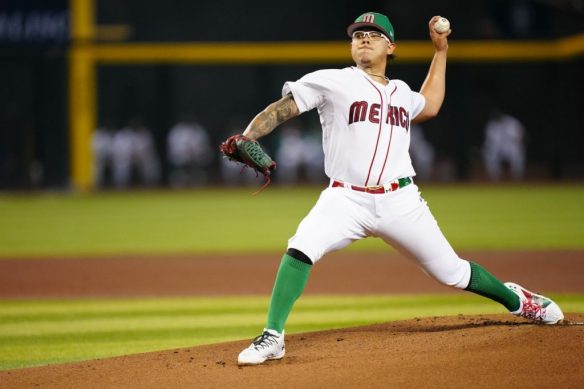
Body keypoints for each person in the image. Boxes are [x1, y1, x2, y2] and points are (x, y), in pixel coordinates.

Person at [235, 12, 563, 366]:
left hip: (400, 200)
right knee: (301, 246)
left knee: (453, 273)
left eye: (373, 35)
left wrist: (441, 50)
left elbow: (431, 104)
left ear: (390, 47)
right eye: (358, 34)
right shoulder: (331, 81)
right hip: (346, 197)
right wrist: (248, 136)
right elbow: (281, 110)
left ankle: (518, 301)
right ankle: (273, 336)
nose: (363, 38)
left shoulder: (402, 93)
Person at [167, 117, 212, 187]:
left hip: (196, 157)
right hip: (181, 157)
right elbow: (173, 148)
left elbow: (204, 147)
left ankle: (197, 184)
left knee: (198, 175)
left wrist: (195, 154)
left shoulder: (199, 130)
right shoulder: (176, 130)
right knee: (179, 176)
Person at [482, 108, 526, 181]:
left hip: (511, 146)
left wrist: (520, 141)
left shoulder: (511, 122)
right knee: (488, 153)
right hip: (498, 147)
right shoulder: (491, 125)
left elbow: (520, 134)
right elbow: (489, 141)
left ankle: (517, 178)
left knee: (518, 152)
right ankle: (495, 178)